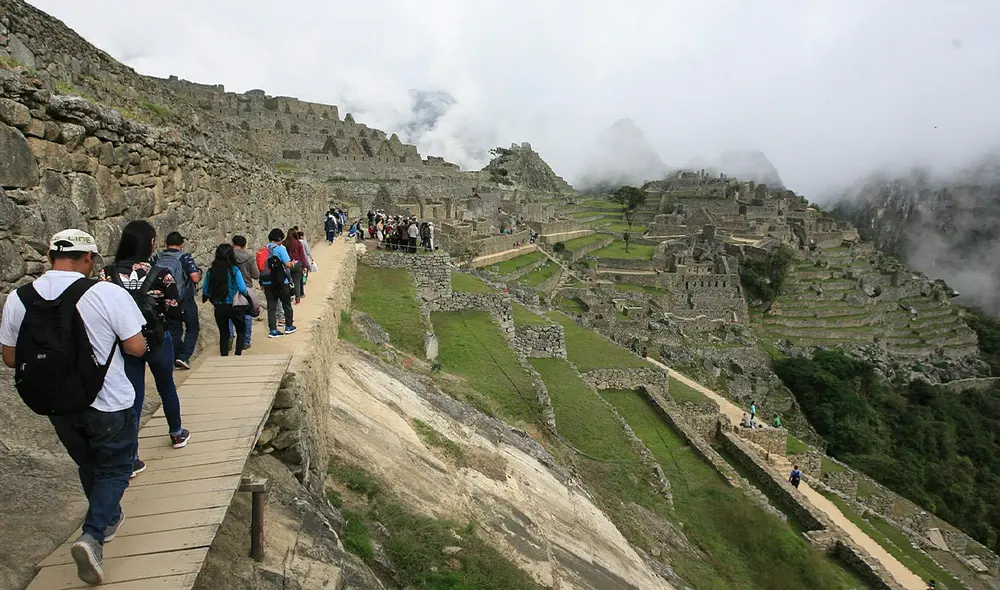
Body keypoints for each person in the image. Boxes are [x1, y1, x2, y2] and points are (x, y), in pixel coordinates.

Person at [0, 229, 148, 584]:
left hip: (57, 402)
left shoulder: (18, 298)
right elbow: (137, 347)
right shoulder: (105, 292)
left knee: (88, 461)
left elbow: (9, 358)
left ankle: (107, 518)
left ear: (50, 256)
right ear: (88, 259)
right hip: (109, 401)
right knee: (115, 468)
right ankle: (93, 535)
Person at [100, 220, 191, 479]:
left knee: (132, 395)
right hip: (157, 339)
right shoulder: (162, 274)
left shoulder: (108, 274)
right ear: (151, 243)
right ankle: (176, 433)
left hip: (125, 342)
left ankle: (131, 457)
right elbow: (174, 309)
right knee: (166, 387)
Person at [152, 232, 201, 370]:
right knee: (192, 327)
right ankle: (184, 356)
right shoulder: (184, 257)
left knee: (175, 329)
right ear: (182, 244)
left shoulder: (157, 257)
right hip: (185, 299)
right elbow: (195, 278)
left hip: (166, 300)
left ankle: (176, 357)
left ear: (165, 244)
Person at [202, 244, 251, 356]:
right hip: (235, 306)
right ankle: (238, 354)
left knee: (224, 333)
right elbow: (242, 288)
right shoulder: (234, 270)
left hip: (219, 306)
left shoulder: (211, 271)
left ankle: (224, 356)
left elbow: (205, 290)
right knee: (241, 331)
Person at [259, 228, 297, 338]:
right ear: (279, 239)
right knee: (286, 304)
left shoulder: (263, 250)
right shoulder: (280, 249)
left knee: (271, 306)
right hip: (281, 282)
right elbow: (288, 264)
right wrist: (293, 263)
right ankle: (289, 326)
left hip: (267, 282)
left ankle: (273, 330)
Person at [230, 235, 259, 350]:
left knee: (230, 315)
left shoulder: (229, 256)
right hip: (246, 289)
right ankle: (246, 341)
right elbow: (256, 275)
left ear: (233, 244)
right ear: (245, 245)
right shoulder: (249, 257)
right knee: (247, 315)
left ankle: (230, 335)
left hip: (232, 289)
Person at [284, 226, 307, 303]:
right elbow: (302, 256)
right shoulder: (299, 243)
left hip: (287, 264)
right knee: (297, 282)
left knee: (288, 281)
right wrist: (305, 266)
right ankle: (297, 298)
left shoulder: (284, 243)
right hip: (297, 264)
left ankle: (289, 296)